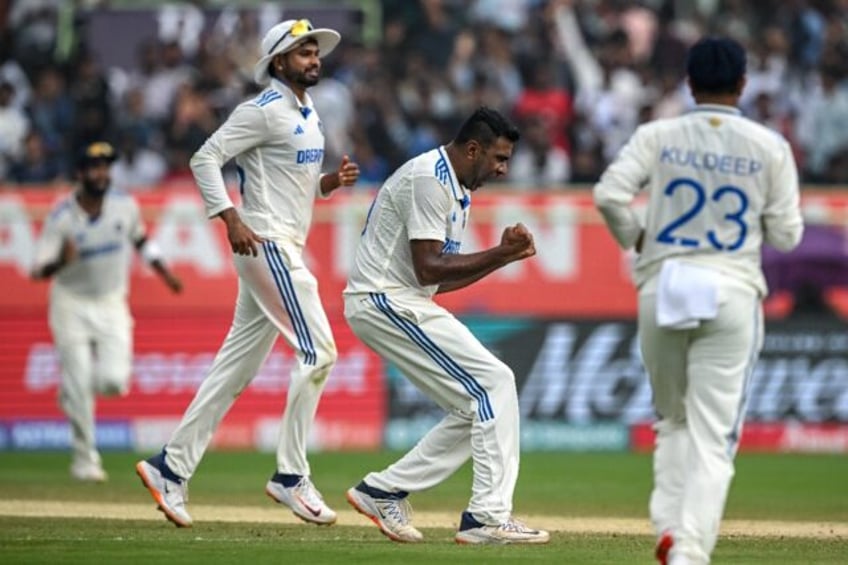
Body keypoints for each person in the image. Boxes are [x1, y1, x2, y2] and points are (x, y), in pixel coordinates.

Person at [135, 19, 360, 528]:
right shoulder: (260, 110)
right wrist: (229, 217)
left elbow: (287, 181)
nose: (314, 58)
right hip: (265, 242)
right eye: (303, 52)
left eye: (315, 51)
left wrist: (328, 183)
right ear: (278, 62)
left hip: (281, 242)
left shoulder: (307, 111)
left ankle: (170, 466)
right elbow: (204, 158)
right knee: (320, 351)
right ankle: (290, 476)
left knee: (233, 369)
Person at [593, 37, 804, 565]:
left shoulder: (659, 134)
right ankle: (688, 549)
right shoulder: (768, 145)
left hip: (664, 285)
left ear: (689, 83)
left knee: (672, 421)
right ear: (743, 84)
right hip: (731, 290)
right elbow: (788, 237)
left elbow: (607, 195)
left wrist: (637, 236)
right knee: (713, 435)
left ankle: (668, 525)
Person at [343, 106, 549, 545]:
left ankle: (382, 490)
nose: (502, 169)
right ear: (472, 149)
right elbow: (428, 268)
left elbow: (439, 278)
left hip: (402, 300)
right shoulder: (430, 179)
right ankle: (487, 517)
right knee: (495, 382)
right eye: (498, 158)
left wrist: (503, 257)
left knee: (477, 404)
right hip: (384, 299)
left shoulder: (458, 188)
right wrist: (500, 254)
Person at [30, 141, 183, 482]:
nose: (101, 173)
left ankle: (72, 390)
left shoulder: (124, 205)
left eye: (105, 167)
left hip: (112, 301)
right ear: (80, 173)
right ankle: (85, 462)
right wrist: (60, 261)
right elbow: (37, 270)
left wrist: (164, 271)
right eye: (94, 167)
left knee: (114, 381)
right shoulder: (62, 217)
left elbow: (142, 240)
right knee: (80, 382)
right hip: (70, 303)